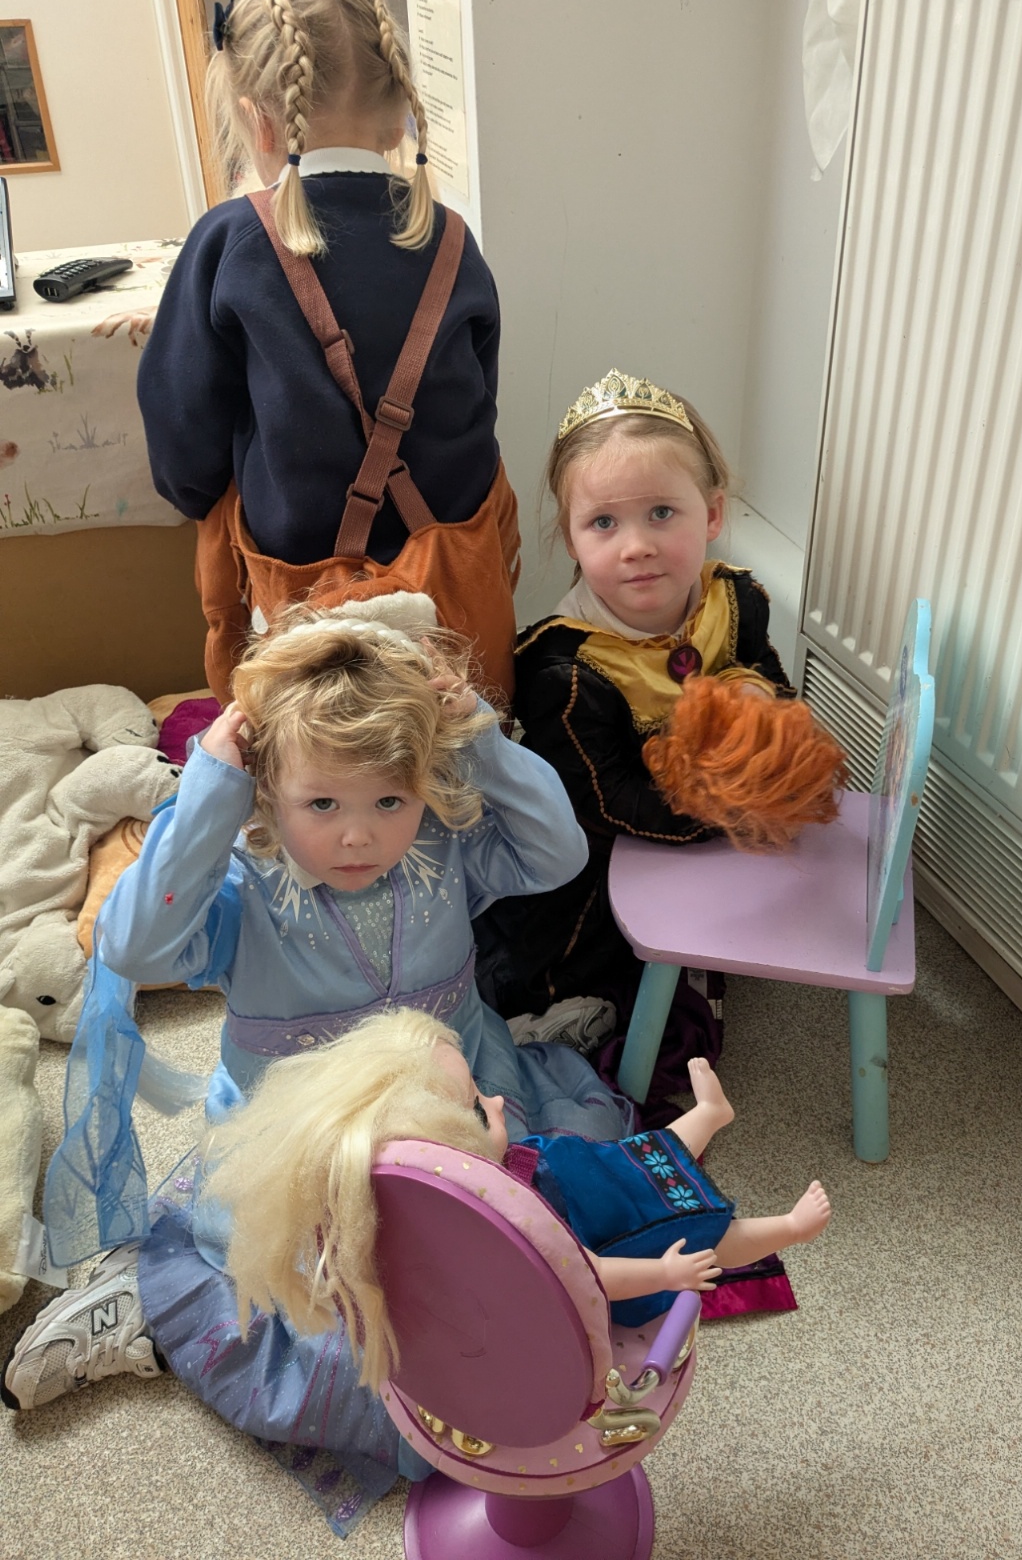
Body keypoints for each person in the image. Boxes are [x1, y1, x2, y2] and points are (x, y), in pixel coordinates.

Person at [3, 602, 632, 1528]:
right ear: (266, 791)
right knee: (333, 1318)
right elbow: (131, 948)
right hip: (302, 1149)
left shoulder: (442, 848)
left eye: (389, 801)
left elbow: (560, 850)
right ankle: (140, 1308)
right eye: (322, 804)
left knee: (544, 1245)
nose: (357, 837)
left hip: (459, 1102)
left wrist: (481, 738)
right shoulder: (243, 880)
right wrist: (210, 790)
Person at [138, 0, 519, 702]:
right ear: (398, 114)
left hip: (304, 618)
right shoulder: (451, 239)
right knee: (459, 750)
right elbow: (479, 407)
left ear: (257, 119)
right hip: (454, 608)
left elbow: (184, 466)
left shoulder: (228, 243)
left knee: (315, 762)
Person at [197, 1007, 832, 1394]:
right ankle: (789, 1228)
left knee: (641, 1155)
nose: (498, 1101)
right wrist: (665, 1273)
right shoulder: (509, 1225)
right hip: (609, 1236)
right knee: (702, 1234)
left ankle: (709, 1116)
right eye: (479, 1109)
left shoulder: (437, 1192)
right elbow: (587, 1274)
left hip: (580, 1180)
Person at [474, 368, 840, 1035]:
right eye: (603, 523)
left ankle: (704, 939)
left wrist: (755, 701)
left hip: (696, 817)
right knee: (563, 952)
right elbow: (604, 800)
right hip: (597, 849)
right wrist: (728, 809)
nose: (637, 546)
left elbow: (769, 675)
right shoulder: (567, 666)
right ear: (573, 538)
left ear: (713, 514)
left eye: (662, 514)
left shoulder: (732, 599)